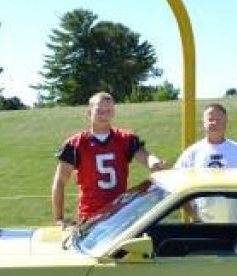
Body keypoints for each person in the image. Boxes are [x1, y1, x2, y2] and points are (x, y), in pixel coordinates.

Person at [52, 92, 166, 225]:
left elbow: (144, 155)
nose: (104, 115)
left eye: (108, 111)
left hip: (120, 213)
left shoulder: (126, 138)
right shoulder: (75, 144)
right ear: (89, 112)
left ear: (113, 113)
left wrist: (154, 162)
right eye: (99, 111)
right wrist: (59, 218)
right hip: (90, 215)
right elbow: (60, 181)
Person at [174, 103, 237, 223]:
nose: (214, 123)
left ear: (226, 122)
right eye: (210, 119)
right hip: (202, 225)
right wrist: (192, 214)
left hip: (235, 223)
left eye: (218, 120)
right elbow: (177, 185)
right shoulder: (192, 152)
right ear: (203, 123)